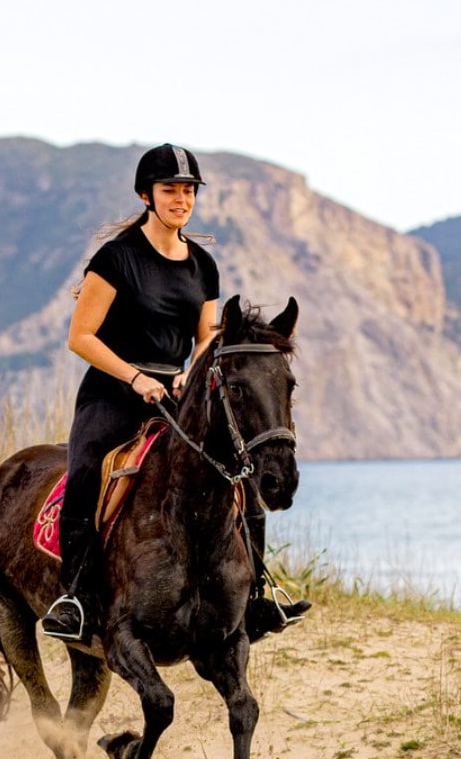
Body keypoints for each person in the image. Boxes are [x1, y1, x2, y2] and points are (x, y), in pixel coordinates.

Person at [40, 142, 309, 645]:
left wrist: (190, 371)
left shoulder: (203, 265)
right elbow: (81, 337)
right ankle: (75, 598)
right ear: (147, 195)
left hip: (176, 393)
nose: (181, 199)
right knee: (85, 472)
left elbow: (206, 334)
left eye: (188, 191)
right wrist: (135, 377)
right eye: (170, 190)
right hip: (112, 392)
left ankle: (257, 596)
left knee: (237, 474)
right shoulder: (116, 259)